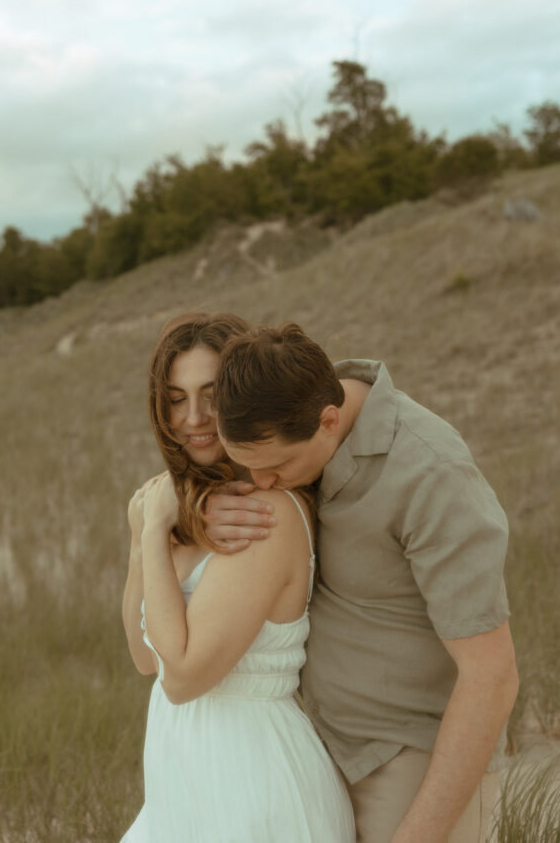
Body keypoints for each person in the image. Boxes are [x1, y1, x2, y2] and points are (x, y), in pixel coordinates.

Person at [207, 323, 519, 843]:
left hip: (413, 761)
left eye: (276, 467)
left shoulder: (432, 474)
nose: (261, 485)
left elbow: (492, 677)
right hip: (316, 755)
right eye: (247, 467)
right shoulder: (288, 420)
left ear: (329, 422)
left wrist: (418, 834)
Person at [120, 312, 355, 842]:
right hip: (185, 783)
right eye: (176, 398)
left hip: (253, 782)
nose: (195, 417)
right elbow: (144, 657)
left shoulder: (264, 511)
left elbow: (180, 677)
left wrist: (153, 528)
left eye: (211, 393)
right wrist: (149, 533)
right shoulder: (181, 507)